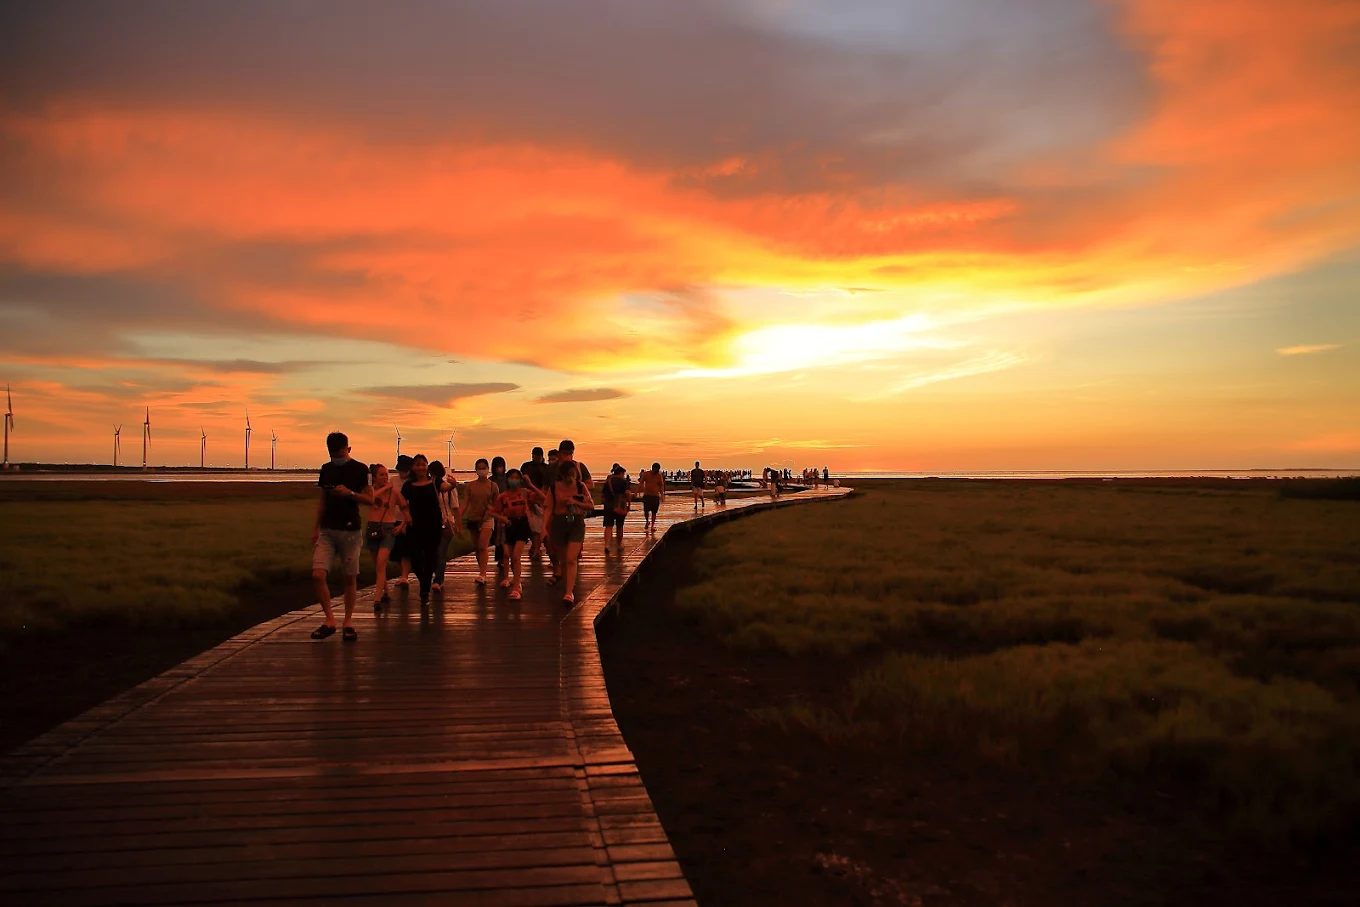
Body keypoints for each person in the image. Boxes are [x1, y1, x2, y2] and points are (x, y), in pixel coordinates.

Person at [311, 432, 372, 642]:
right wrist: (315, 528)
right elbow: (322, 500)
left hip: (350, 530)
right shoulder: (326, 469)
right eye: (333, 455)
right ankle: (330, 620)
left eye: (340, 454)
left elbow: (370, 499)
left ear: (348, 449)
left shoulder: (361, 469)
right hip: (327, 530)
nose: (337, 458)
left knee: (349, 577)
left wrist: (350, 494)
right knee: (318, 574)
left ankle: (348, 622)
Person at [489, 467, 546, 600]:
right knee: (507, 554)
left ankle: (516, 586)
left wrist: (530, 485)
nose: (513, 480)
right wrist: (502, 518)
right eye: (511, 478)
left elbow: (543, 498)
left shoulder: (525, 493)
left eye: (516, 478)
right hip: (509, 525)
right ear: (507, 480)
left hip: (522, 524)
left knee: (516, 556)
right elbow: (493, 511)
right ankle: (511, 579)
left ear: (520, 480)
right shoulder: (503, 496)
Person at [546, 459, 593, 605]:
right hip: (559, 523)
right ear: (562, 475)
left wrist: (576, 502)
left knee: (571, 558)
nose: (570, 478)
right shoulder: (554, 488)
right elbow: (548, 509)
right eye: (568, 475)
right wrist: (543, 529)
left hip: (576, 523)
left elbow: (590, 505)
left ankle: (569, 592)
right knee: (564, 560)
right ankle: (567, 587)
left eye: (573, 474)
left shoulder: (580, 486)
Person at [364, 462, 409, 612]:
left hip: (388, 529)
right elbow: (370, 499)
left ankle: (376, 599)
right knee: (377, 565)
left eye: (386, 474)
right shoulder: (371, 490)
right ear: (374, 477)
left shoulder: (394, 492)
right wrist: (385, 487)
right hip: (372, 528)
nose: (385, 477)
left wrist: (401, 526)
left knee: (381, 561)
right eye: (381, 475)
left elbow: (405, 509)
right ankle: (385, 591)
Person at [461, 457, 498, 585]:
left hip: (487, 519)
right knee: (477, 547)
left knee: (483, 546)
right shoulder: (470, 486)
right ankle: (481, 570)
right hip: (473, 518)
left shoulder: (493, 486)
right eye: (479, 468)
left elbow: (497, 503)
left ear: (488, 469)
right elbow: (465, 502)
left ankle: (483, 573)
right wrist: (458, 517)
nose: (482, 470)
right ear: (476, 470)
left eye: (484, 468)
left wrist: (492, 512)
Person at [428, 460, 460, 594]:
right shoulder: (428, 486)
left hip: (445, 523)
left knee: (441, 552)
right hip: (431, 524)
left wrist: (457, 523)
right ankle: (438, 578)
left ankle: (438, 580)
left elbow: (455, 506)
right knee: (434, 553)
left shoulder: (442, 486)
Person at [520, 446, 550, 557]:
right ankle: (536, 547)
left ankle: (539, 547)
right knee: (533, 526)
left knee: (541, 525)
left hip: (541, 498)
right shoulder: (526, 466)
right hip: (529, 498)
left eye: (537, 455)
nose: (535, 457)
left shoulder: (545, 468)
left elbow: (546, 485)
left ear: (541, 456)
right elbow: (522, 481)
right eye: (534, 455)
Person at [390, 454, 414, 589]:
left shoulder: (412, 483)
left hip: (408, 519)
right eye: (401, 470)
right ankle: (403, 574)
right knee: (396, 550)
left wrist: (404, 523)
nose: (402, 473)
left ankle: (405, 576)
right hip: (393, 518)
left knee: (406, 550)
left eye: (405, 470)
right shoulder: (393, 480)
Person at [601, 463, 632, 551]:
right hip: (620, 505)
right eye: (623, 474)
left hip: (608, 505)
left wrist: (605, 502)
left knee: (608, 526)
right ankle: (619, 544)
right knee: (619, 526)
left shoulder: (608, 481)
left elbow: (603, 494)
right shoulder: (623, 482)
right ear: (621, 473)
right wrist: (629, 505)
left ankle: (607, 545)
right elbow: (627, 494)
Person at [639, 462, 665, 533]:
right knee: (646, 511)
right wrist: (637, 492)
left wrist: (662, 495)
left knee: (654, 512)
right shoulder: (646, 474)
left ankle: (652, 526)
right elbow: (641, 483)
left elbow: (661, 486)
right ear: (653, 468)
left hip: (655, 496)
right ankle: (647, 521)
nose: (656, 471)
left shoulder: (659, 475)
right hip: (647, 495)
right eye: (656, 470)